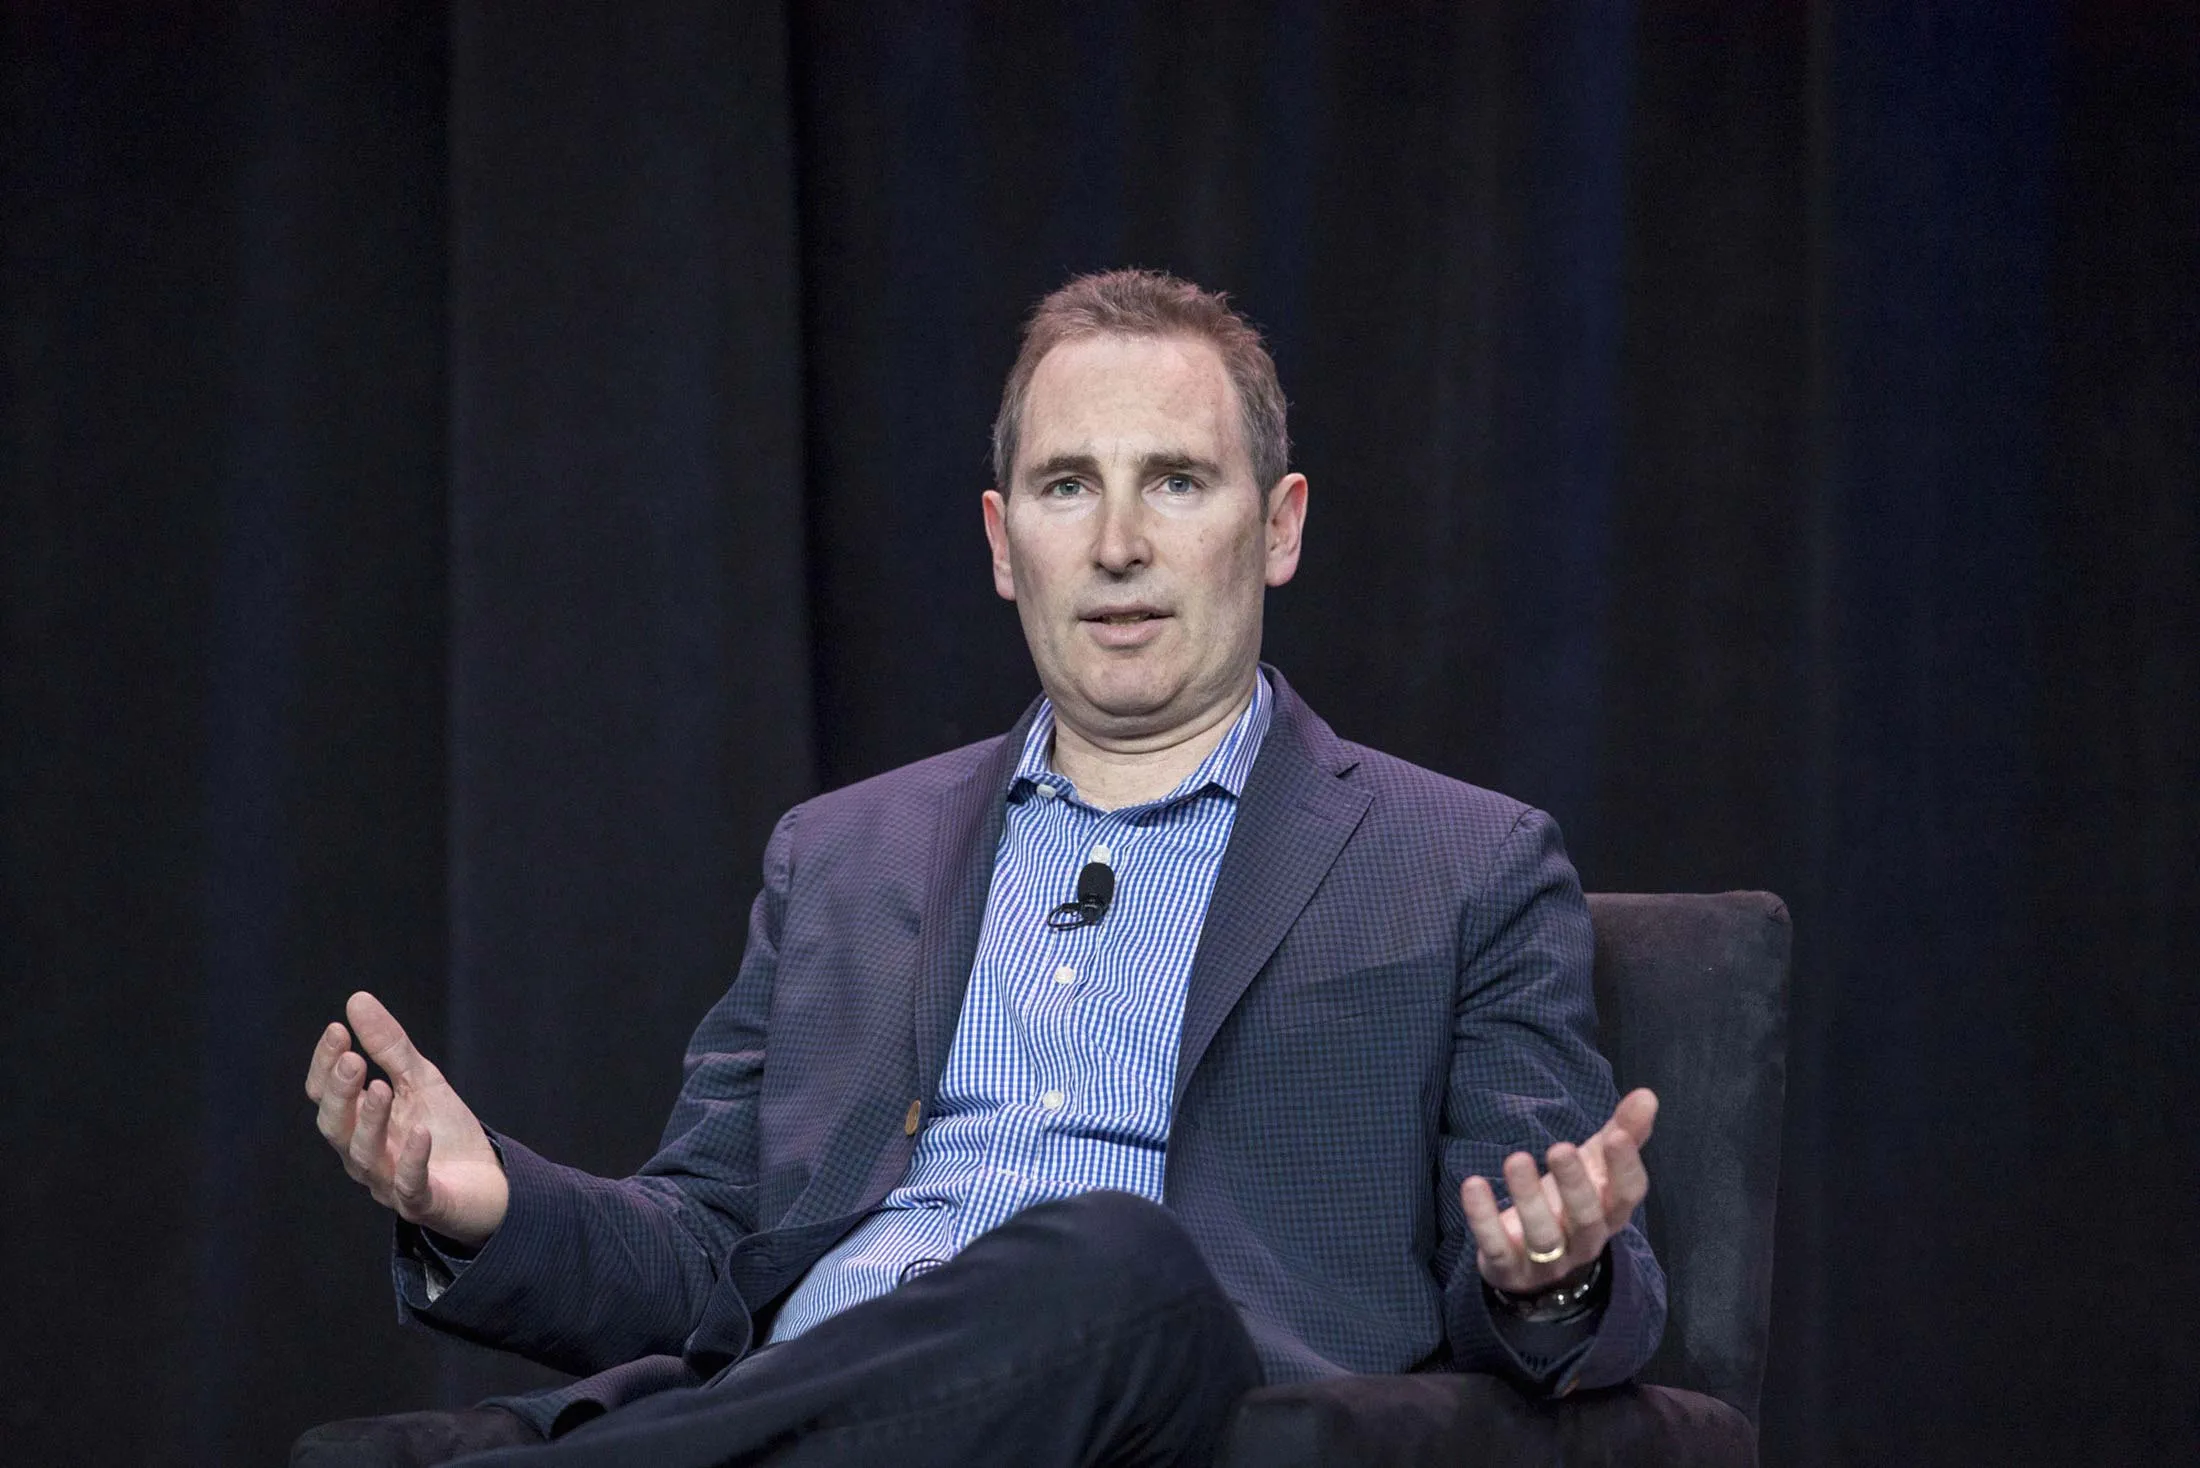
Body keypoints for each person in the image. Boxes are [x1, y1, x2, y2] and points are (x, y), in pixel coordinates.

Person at [297, 270, 1664, 1468]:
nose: (1118, 544)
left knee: (1111, 1255)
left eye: (1175, 482)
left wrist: (1548, 1273)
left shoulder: (1463, 865)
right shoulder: (840, 854)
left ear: (1282, 524)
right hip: (825, 1400)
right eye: (1070, 487)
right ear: (1006, 544)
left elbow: (1554, 1268)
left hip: (1175, 1406)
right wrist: (488, 1207)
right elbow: (707, 1259)